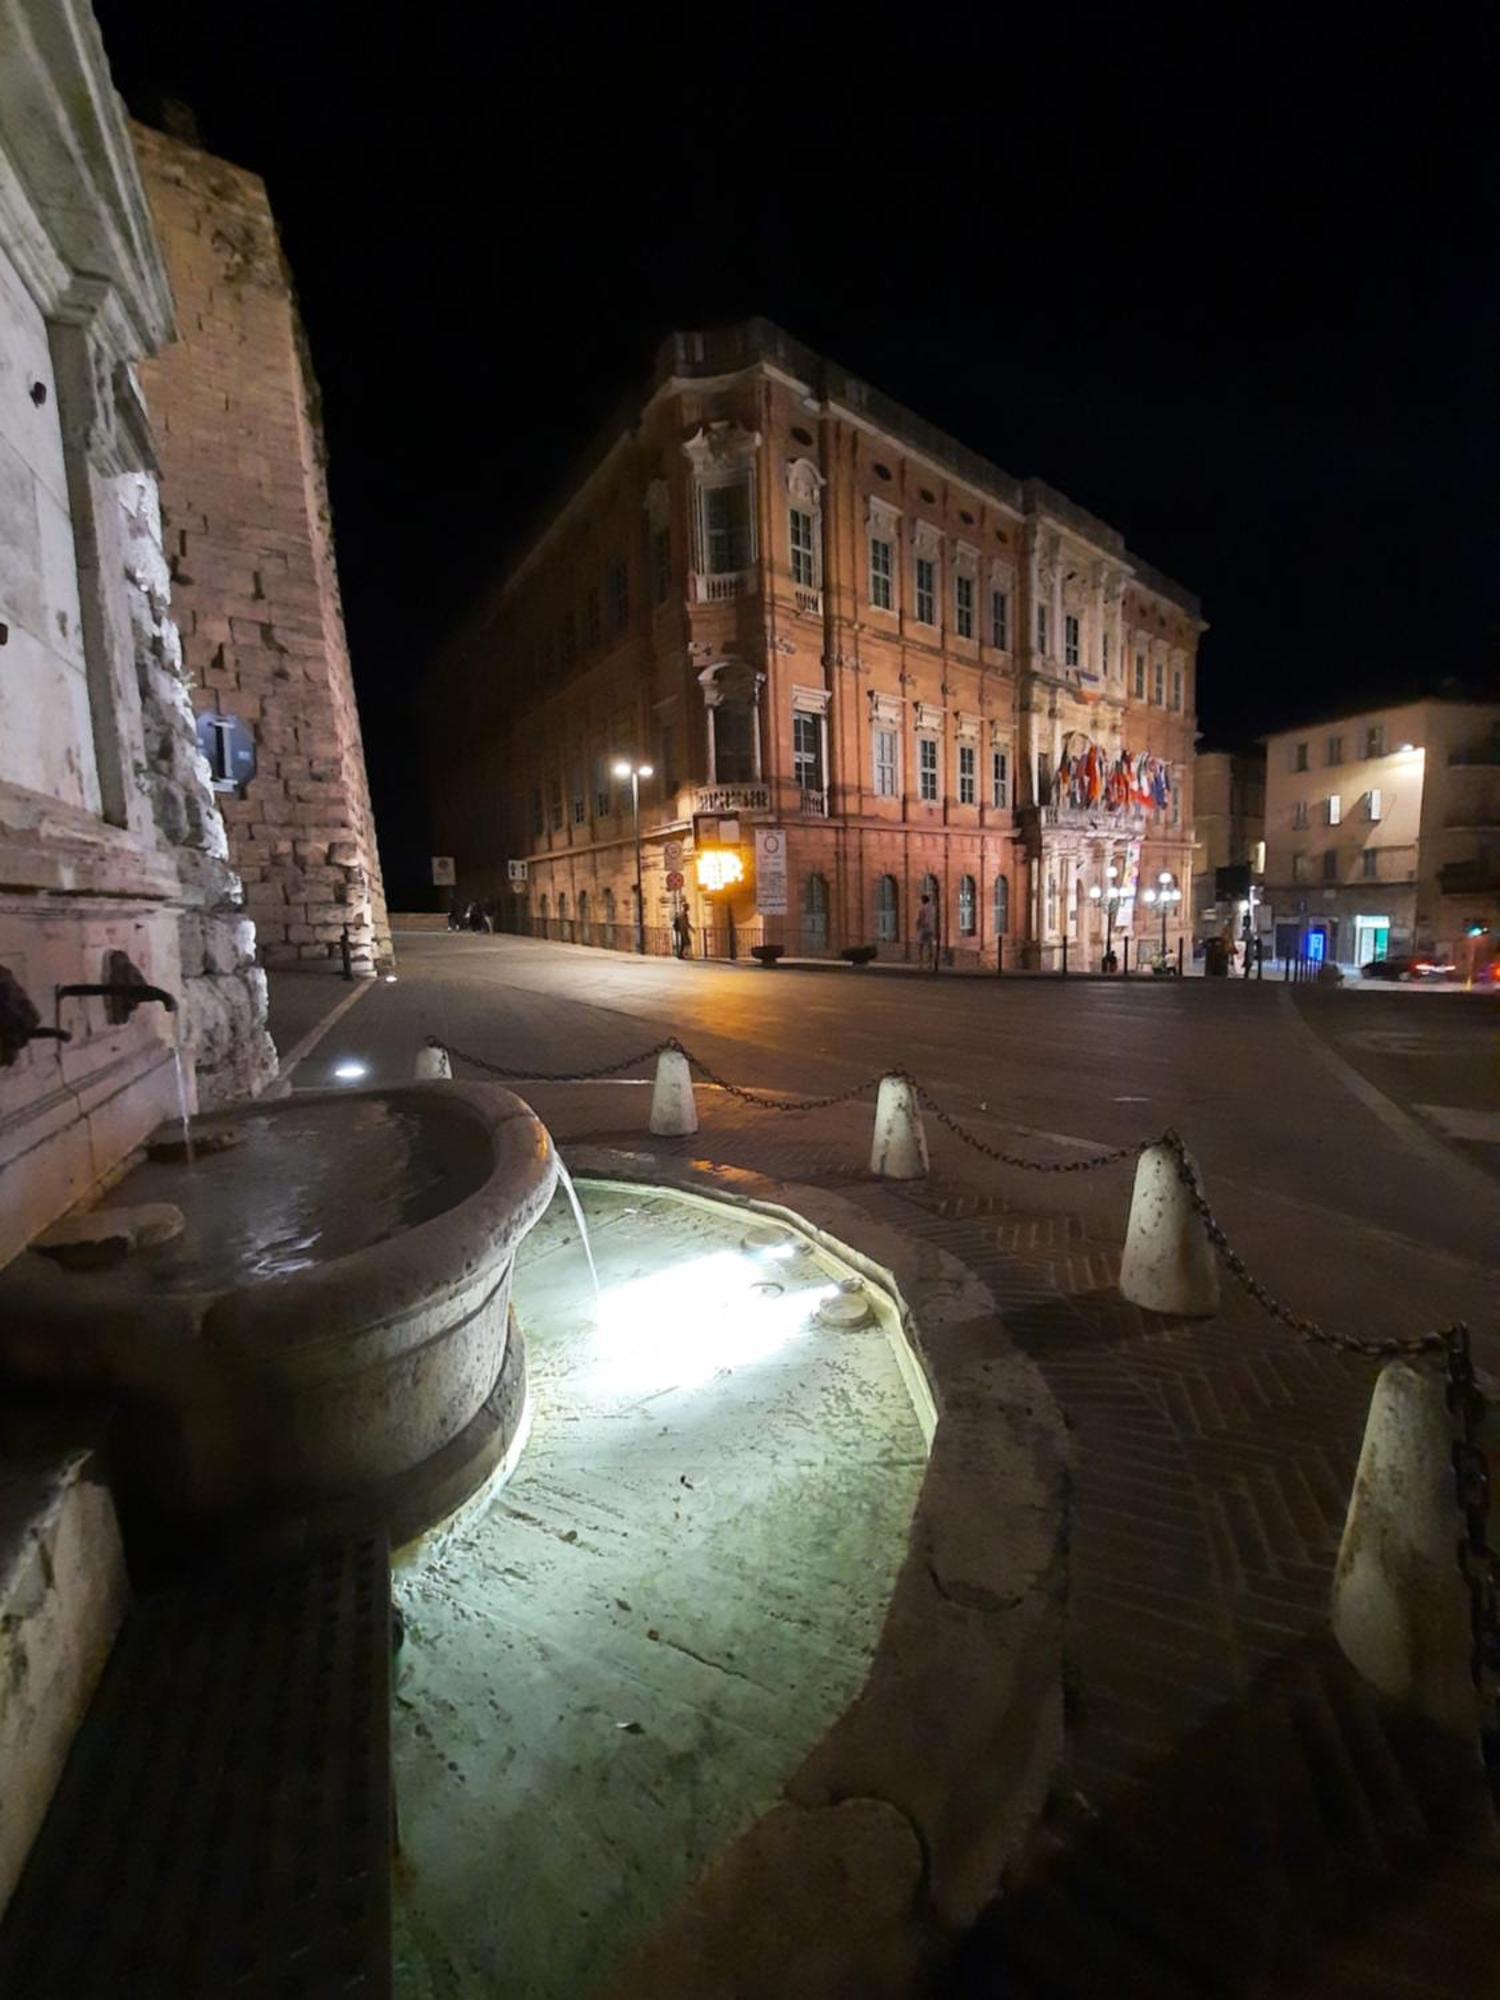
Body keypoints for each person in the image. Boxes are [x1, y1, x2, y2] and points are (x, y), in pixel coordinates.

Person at [915, 894, 936, 971]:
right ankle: (930, 964)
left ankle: (921, 964)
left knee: (921, 946)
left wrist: (917, 927)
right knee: (930, 947)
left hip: (924, 928)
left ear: (923, 900)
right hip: (931, 928)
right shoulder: (932, 908)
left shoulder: (922, 908)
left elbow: (920, 919)